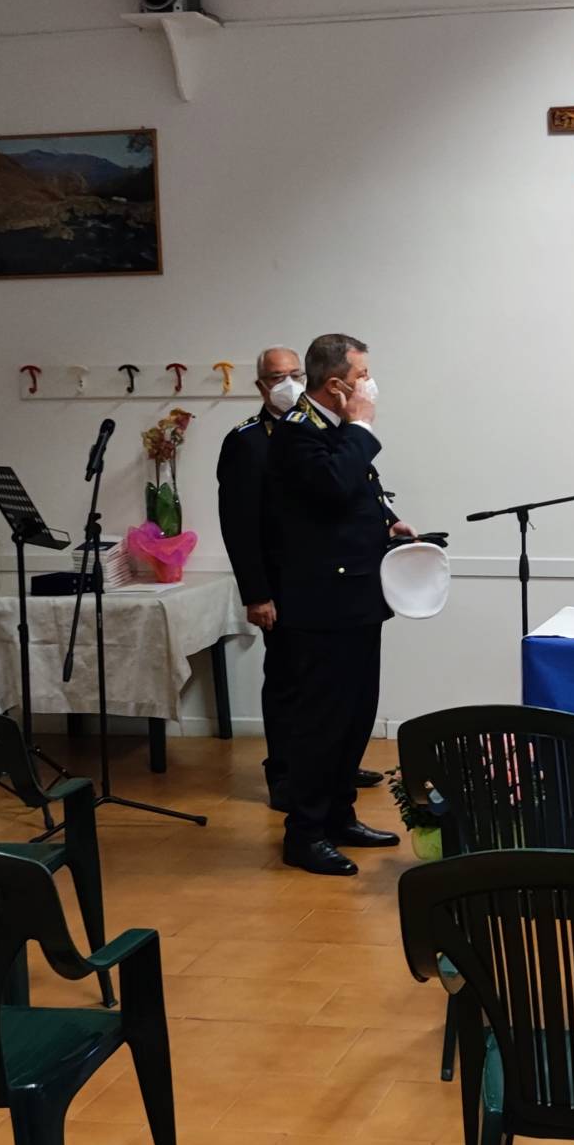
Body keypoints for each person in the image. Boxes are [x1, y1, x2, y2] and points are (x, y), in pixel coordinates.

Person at [264, 333, 410, 875]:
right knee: (321, 724)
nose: (369, 384)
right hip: (321, 606)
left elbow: (347, 499)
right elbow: (329, 485)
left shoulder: (332, 430)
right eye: (362, 375)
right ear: (336, 386)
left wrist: (387, 525)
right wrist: (363, 425)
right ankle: (304, 833)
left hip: (358, 598)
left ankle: (338, 815)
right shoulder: (298, 432)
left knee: (355, 716)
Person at [216, 346, 304, 811]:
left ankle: (329, 765)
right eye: (276, 377)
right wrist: (257, 594)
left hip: (323, 582)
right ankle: (284, 774)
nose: (288, 384)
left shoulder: (318, 430)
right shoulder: (247, 441)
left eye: (295, 374)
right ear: (260, 386)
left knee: (326, 682)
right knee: (287, 681)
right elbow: (239, 526)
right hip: (279, 586)